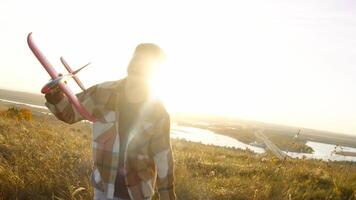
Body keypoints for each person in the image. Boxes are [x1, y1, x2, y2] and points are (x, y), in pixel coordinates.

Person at [44, 44, 176, 200]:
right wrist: (56, 96)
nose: (137, 64)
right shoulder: (102, 92)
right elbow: (69, 113)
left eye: (145, 62)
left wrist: (168, 196)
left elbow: (163, 160)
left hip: (137, 194)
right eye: (136, 58)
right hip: (103, 190)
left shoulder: (158, 112)